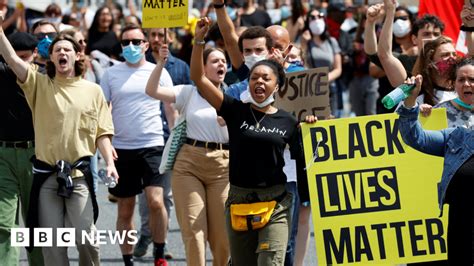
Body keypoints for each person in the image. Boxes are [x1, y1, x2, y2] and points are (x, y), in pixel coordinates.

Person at [190, 17, 315, 265]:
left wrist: (312, 128)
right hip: (240, 199)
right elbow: (198, 78)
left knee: (270, 261)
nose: (259, 82)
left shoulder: (288, 121)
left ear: (277, 86)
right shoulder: (235, 110)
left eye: (266, 79)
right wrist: (198, 40)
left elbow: (304, 160)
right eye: (254, 78)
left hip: (276, 202)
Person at [0, 12, 118, 265]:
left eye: (67, 49)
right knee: (52, 246)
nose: (62, 53)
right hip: (46, 178)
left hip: (79, 176)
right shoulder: (38, 83)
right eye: (57, 50)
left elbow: (102, 133)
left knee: (87, 239)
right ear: (50, 58)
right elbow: (10, 57)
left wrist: (109, 161)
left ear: (77, 55)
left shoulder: (93, 91)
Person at [145, 43, 230, 266]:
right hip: (189, 164)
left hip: (223, 167)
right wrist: (160, 64)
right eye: (215, 60)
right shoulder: (188, 92)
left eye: (223, 61)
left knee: (223, 238)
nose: (221, 64)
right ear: (201, 68)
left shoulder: (234, 94)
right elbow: (152, 91)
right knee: (194, 231)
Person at [100, 24, 173, 266]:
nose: (130, 46)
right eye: (125, 43)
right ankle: (127, 258)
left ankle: (160, 254)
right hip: (122, 149)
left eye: (135, 41)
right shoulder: (111, 74)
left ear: (145, 44)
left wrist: (174, 140)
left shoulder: (158, 70)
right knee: (125, 210)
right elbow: (103, 111)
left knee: (156, 201)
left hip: (153, 144)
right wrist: (106, 145)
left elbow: (170, 108)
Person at [397, 74, 473, 265]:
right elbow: (415, 138)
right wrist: (410, 101)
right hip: (462, 230)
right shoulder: (458, 137)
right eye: (461, 80)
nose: (467, 84)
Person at [133, 26, 191, 259]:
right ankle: (147, 232)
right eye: (152, 36)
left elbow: (189, 98)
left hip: (170, 136)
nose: (157, 39)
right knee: (145, 196)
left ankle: (161, 240)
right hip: (145, 138)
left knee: (162, 195)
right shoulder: (139, 66)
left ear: (170, 37)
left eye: (161, 35)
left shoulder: (180, 68)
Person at [0, 31, 43, 266]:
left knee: (36, 223)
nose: (16, 62)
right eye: (12, 57)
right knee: (4, 223)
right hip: (3, 155)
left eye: (24, 57)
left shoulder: (43, 77)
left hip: (36, 155)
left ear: (35, 54)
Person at [301, 7, 342, 117]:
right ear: (307, 22)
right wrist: (304, 44)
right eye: (312, 17)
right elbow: (301, 65)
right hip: (312, 91)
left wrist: (324, 79)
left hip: (330, 89)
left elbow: (338, 69)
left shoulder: (331, 41)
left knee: (332, 122)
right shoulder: (305, 42)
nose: (316, 20)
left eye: (320, 16)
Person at [434, 57, 473, 129]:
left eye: (472, 79)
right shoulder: (438, 112)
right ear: (454, 84)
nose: (466, 84)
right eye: (461, 80)